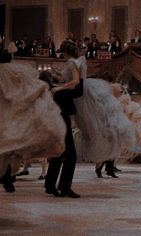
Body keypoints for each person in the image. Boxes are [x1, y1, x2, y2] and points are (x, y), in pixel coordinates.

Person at [0, 49, 66, 192]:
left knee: (6, 146)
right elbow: (25, 89)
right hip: (13, 114)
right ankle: (9, 178)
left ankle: (7, 176)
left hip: (4, 113)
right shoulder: (15, 71)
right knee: (12, 147)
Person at [43, 40, 83, 198]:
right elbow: (76, 82)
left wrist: (59, 85)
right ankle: (64, 187)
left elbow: (74, 82)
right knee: (70, 154)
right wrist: (60, 85)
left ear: (65, 52)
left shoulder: (71, 63)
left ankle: (51, 185)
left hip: (61, 112)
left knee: (60, 151)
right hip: (62, 114)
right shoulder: (72, 63)